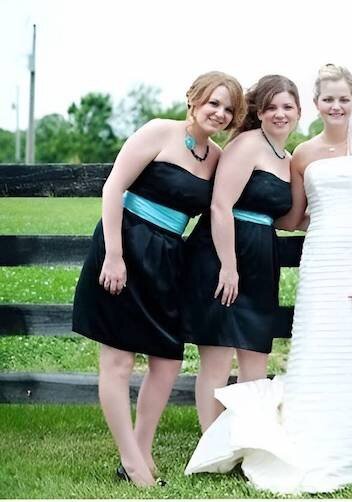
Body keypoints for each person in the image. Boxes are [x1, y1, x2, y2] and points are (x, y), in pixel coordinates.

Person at [184, 64, 352, 494]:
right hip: (321, 261)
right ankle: (287, 434)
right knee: (320, 348)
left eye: (343, 99)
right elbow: (293, 216)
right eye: (328, 99)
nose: (336, 106)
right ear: (315, 104)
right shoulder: (302, 154)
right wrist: (279, 218)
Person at [72, 71, 245, 487]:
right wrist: (114, 255)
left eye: (228, 108)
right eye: (213, 103)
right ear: (193, 100)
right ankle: (132, 463)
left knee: (167, 361)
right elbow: (113, 187)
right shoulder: (158, 132)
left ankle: (142, 449)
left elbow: (224, 208)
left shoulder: (218, 158)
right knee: (118, 360)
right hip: (126, 244)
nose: (219, 113)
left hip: (168, 257)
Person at [180, 75, 298, 432]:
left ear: (298, 112)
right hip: (222, 256)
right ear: (258, 112)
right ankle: (211, 442)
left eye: (287, 106)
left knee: (256, 356)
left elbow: (288, 220)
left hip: (262, 259)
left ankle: (249, 438)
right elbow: (220, 206)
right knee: (217, 358)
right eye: (271, 107)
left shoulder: (289, 159)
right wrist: (228, 266)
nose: (280, 114)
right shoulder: (247, 144)